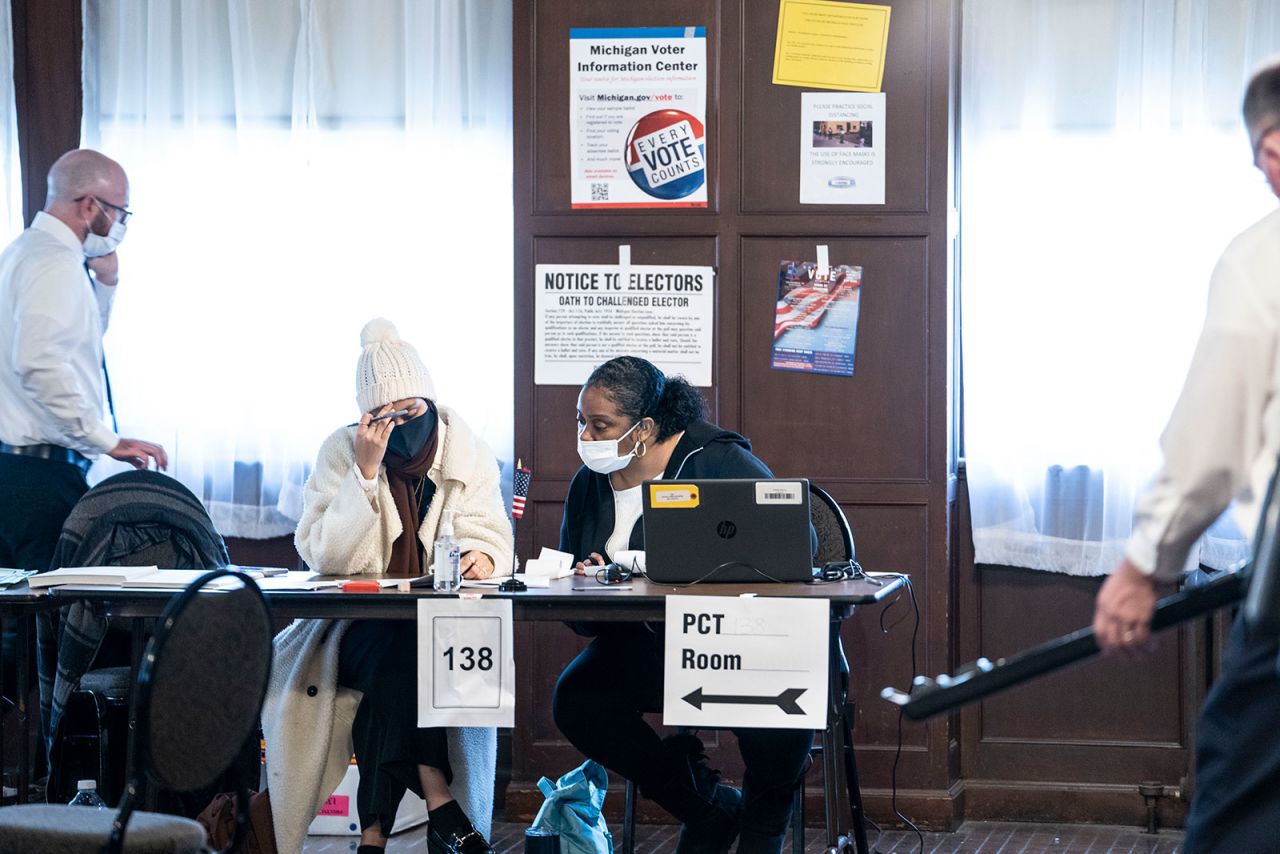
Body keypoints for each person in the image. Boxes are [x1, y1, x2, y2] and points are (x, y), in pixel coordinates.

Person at [1092, 61, 1280, 853]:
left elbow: (1210, 440)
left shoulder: (1261, 258)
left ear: (1274, 148)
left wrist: (1144, 567)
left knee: (1238, 807)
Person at [262, 318, 512, 854]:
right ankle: (438, 796)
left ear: (429, 398)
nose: (399, 424)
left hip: (440, 630)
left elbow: (491, 533)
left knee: (396, 670)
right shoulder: (342, 449)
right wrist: (366, 473)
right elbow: (326, 555)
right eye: (384, 416)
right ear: (365, 417)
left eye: (411, 411)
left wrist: (481, 556)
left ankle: (372, 834)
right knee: (397, 646)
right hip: (351, 628)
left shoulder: (465, 449)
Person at [551, 355, 815, 854]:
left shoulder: (716, 460)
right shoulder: (589, 483)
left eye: (600, 424)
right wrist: (589, 583)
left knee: (780, 720)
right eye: (581, 422)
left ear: (644, 428)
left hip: (741, 639)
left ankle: (762, 830)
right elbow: (579, 618)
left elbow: (797, 541)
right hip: (649, 644)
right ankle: (707, 807)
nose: (586, 436)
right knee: (577, 700)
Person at [0, 149, 167, 574]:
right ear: (90, 205)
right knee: (49, 622)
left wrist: (107, 283)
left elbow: (74, 344)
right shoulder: (55, 262)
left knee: (16, 626)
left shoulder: (23, 253)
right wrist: (106, 440)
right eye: (120, 212)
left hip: (17, 470)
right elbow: (40, 362)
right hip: (38, 476)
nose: (120, 225)